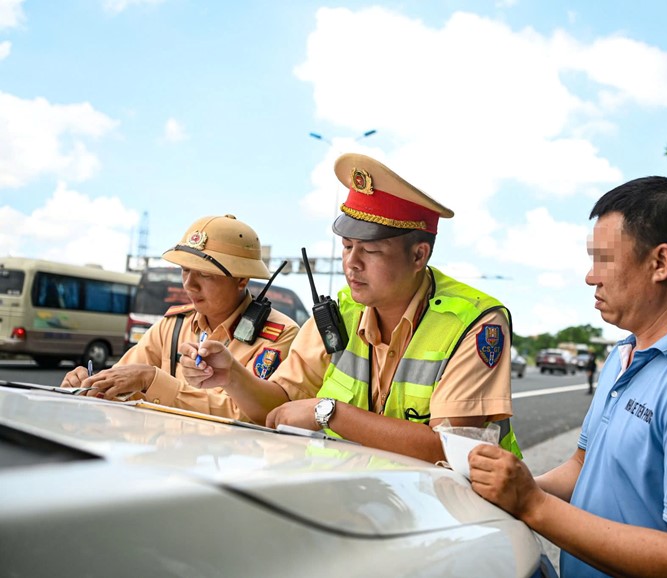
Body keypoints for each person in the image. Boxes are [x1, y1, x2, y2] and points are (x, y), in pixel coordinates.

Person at [468, 177, 667, 577]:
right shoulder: (624, 353)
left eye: (603, 259)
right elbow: (581, 466)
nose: (591, 277)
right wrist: (513, 488)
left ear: (660, 263)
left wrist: (532, 505)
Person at [180, 153, 521, 463]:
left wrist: (329, 413)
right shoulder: (341, 310)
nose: (352, 263)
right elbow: (281, 405)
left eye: (370, 251)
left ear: (419, 255)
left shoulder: (473, 322)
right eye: (346, 246)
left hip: (448, 513)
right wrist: (232, 378)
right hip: (357, 503)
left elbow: (453, 450)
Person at [61, 214, 299, 422]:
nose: (189, 285)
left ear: (242, 280)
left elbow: (249, 415)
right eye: (185, 270)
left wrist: (152, 380)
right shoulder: (171, 326)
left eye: (205, 274)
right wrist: (88, 384)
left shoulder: (279, 335)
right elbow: (120, 383)